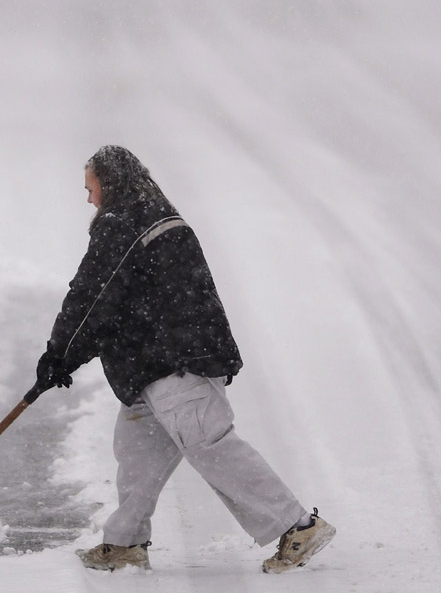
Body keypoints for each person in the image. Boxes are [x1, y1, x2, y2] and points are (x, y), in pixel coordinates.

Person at [34, 145, 336, 573]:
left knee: (208, 445)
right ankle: (125, 543)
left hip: (173, 359)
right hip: (153, 362)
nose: (89, 199)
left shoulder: (124, 222)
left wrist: (58, 354)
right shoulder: (151, 213)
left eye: (91, 188)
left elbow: (93, 295)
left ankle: (298, 526)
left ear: (110, 183)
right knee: (136, 453)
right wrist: (65, 355)